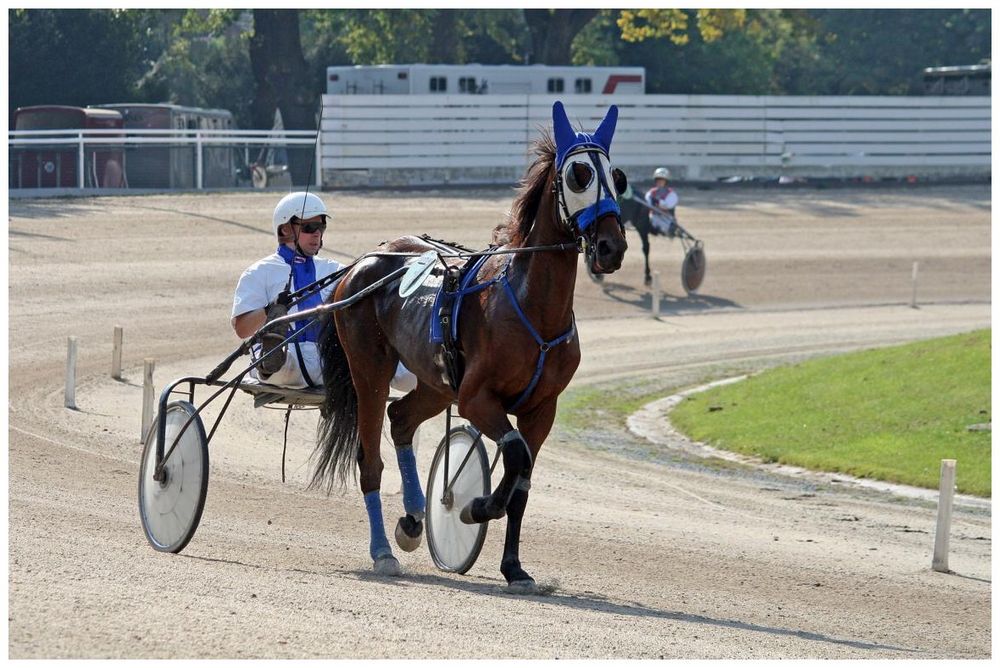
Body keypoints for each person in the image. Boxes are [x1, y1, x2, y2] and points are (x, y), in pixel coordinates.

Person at [232, 191, 416, 391]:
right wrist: (272, 310)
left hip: (330, 358)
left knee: (408, 374)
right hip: (289, 355)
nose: (317, 234)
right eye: (309, 227)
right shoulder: (260, 272)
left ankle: (445, 377)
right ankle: (271, 359)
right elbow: (242, 329)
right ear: (285, 230)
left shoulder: (336, 271)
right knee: (286, 366)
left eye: (321, 227)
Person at [645, 167, 679, 237]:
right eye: (658, 179)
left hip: (667, 219)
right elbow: (646, 203)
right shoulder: (651, 192)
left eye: (662, 180)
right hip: (654, 217)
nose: (659, 182)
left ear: (666, 181)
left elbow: (667, 206)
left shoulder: (672, 194)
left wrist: (657, 201)